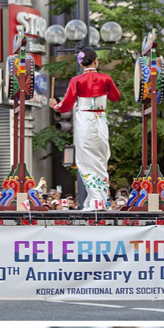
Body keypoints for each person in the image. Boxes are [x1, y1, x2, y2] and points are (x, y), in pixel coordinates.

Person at [49, 47, 122, 209]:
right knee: (101, 157)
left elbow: (66, 104)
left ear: (81, 63)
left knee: (85, 159)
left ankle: (95, 197)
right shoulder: (106, 78)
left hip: (84, 120)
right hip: (100, 118)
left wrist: (55, 105)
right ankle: (99, 197)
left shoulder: (76, 80)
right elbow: (116, 97)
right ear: (96, 61)